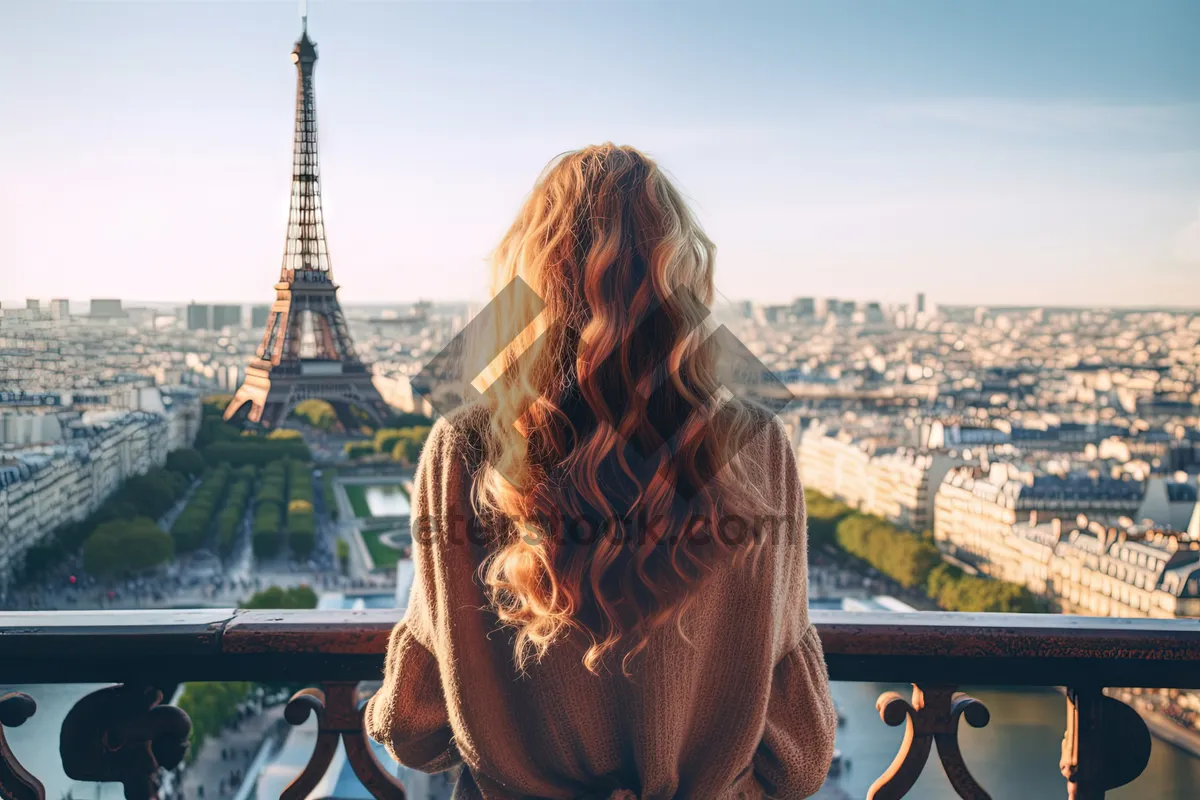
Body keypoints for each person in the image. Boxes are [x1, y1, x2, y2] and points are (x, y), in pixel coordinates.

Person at [366, 144, 837, 798]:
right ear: (682, 277)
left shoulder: (463, 448)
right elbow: (801, 753)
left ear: (527, 280)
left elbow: (413, 728)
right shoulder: (757, 445)